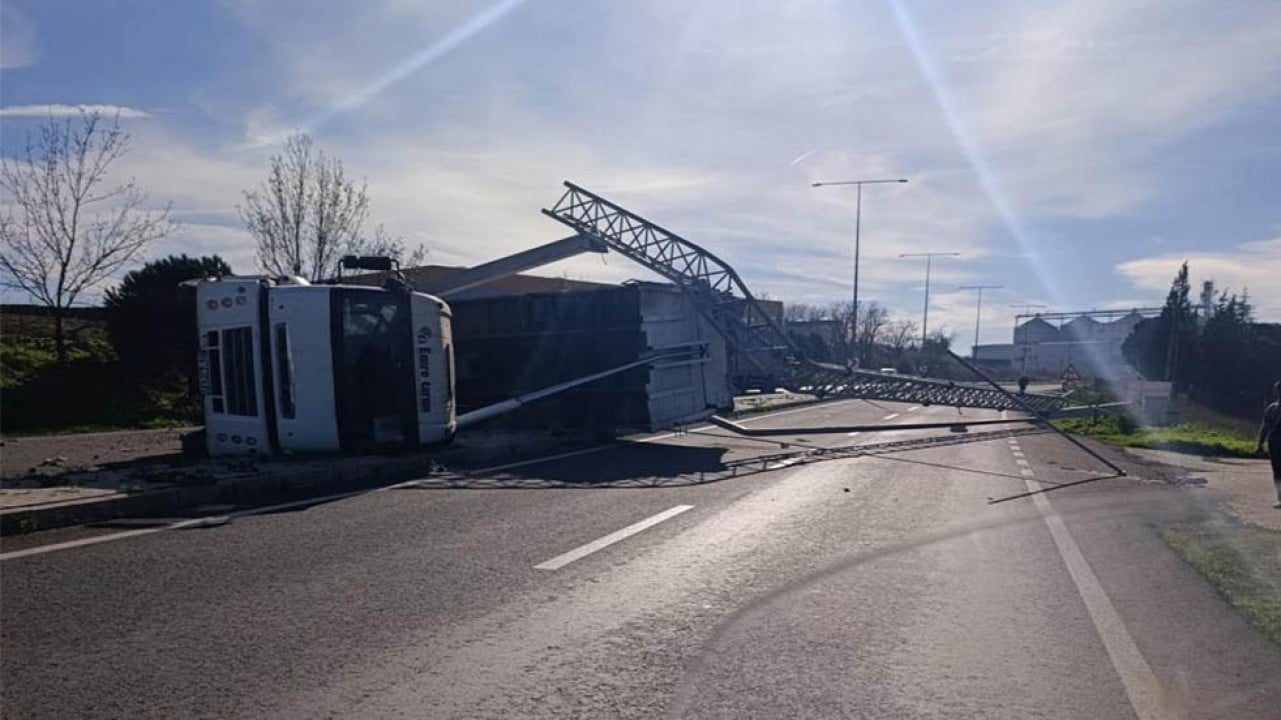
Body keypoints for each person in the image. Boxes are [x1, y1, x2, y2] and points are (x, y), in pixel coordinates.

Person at [1257, 380, 1281, 509]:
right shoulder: (1272, 408)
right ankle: (1280, 497)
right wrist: (1260, 444)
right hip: (1275, 444)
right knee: (1277, 471)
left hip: (1275, 443)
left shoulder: (1272, 408)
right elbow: (1265, 427)